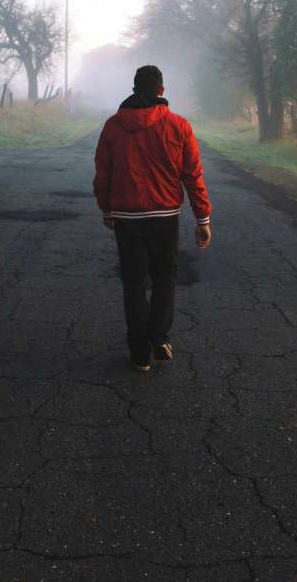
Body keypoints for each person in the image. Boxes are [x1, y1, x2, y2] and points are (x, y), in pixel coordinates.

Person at [93, 65, 212, 371]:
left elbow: (102, 173)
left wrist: (107, 207)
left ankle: (139, 353)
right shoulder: (179, 125)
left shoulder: (112, 126)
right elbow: (192, 174)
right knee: (164, 277)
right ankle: (158, 337)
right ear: (162, 90)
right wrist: (203, 218)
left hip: (126, 217)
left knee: (133, 283)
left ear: (134, 88)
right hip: (164, 216)